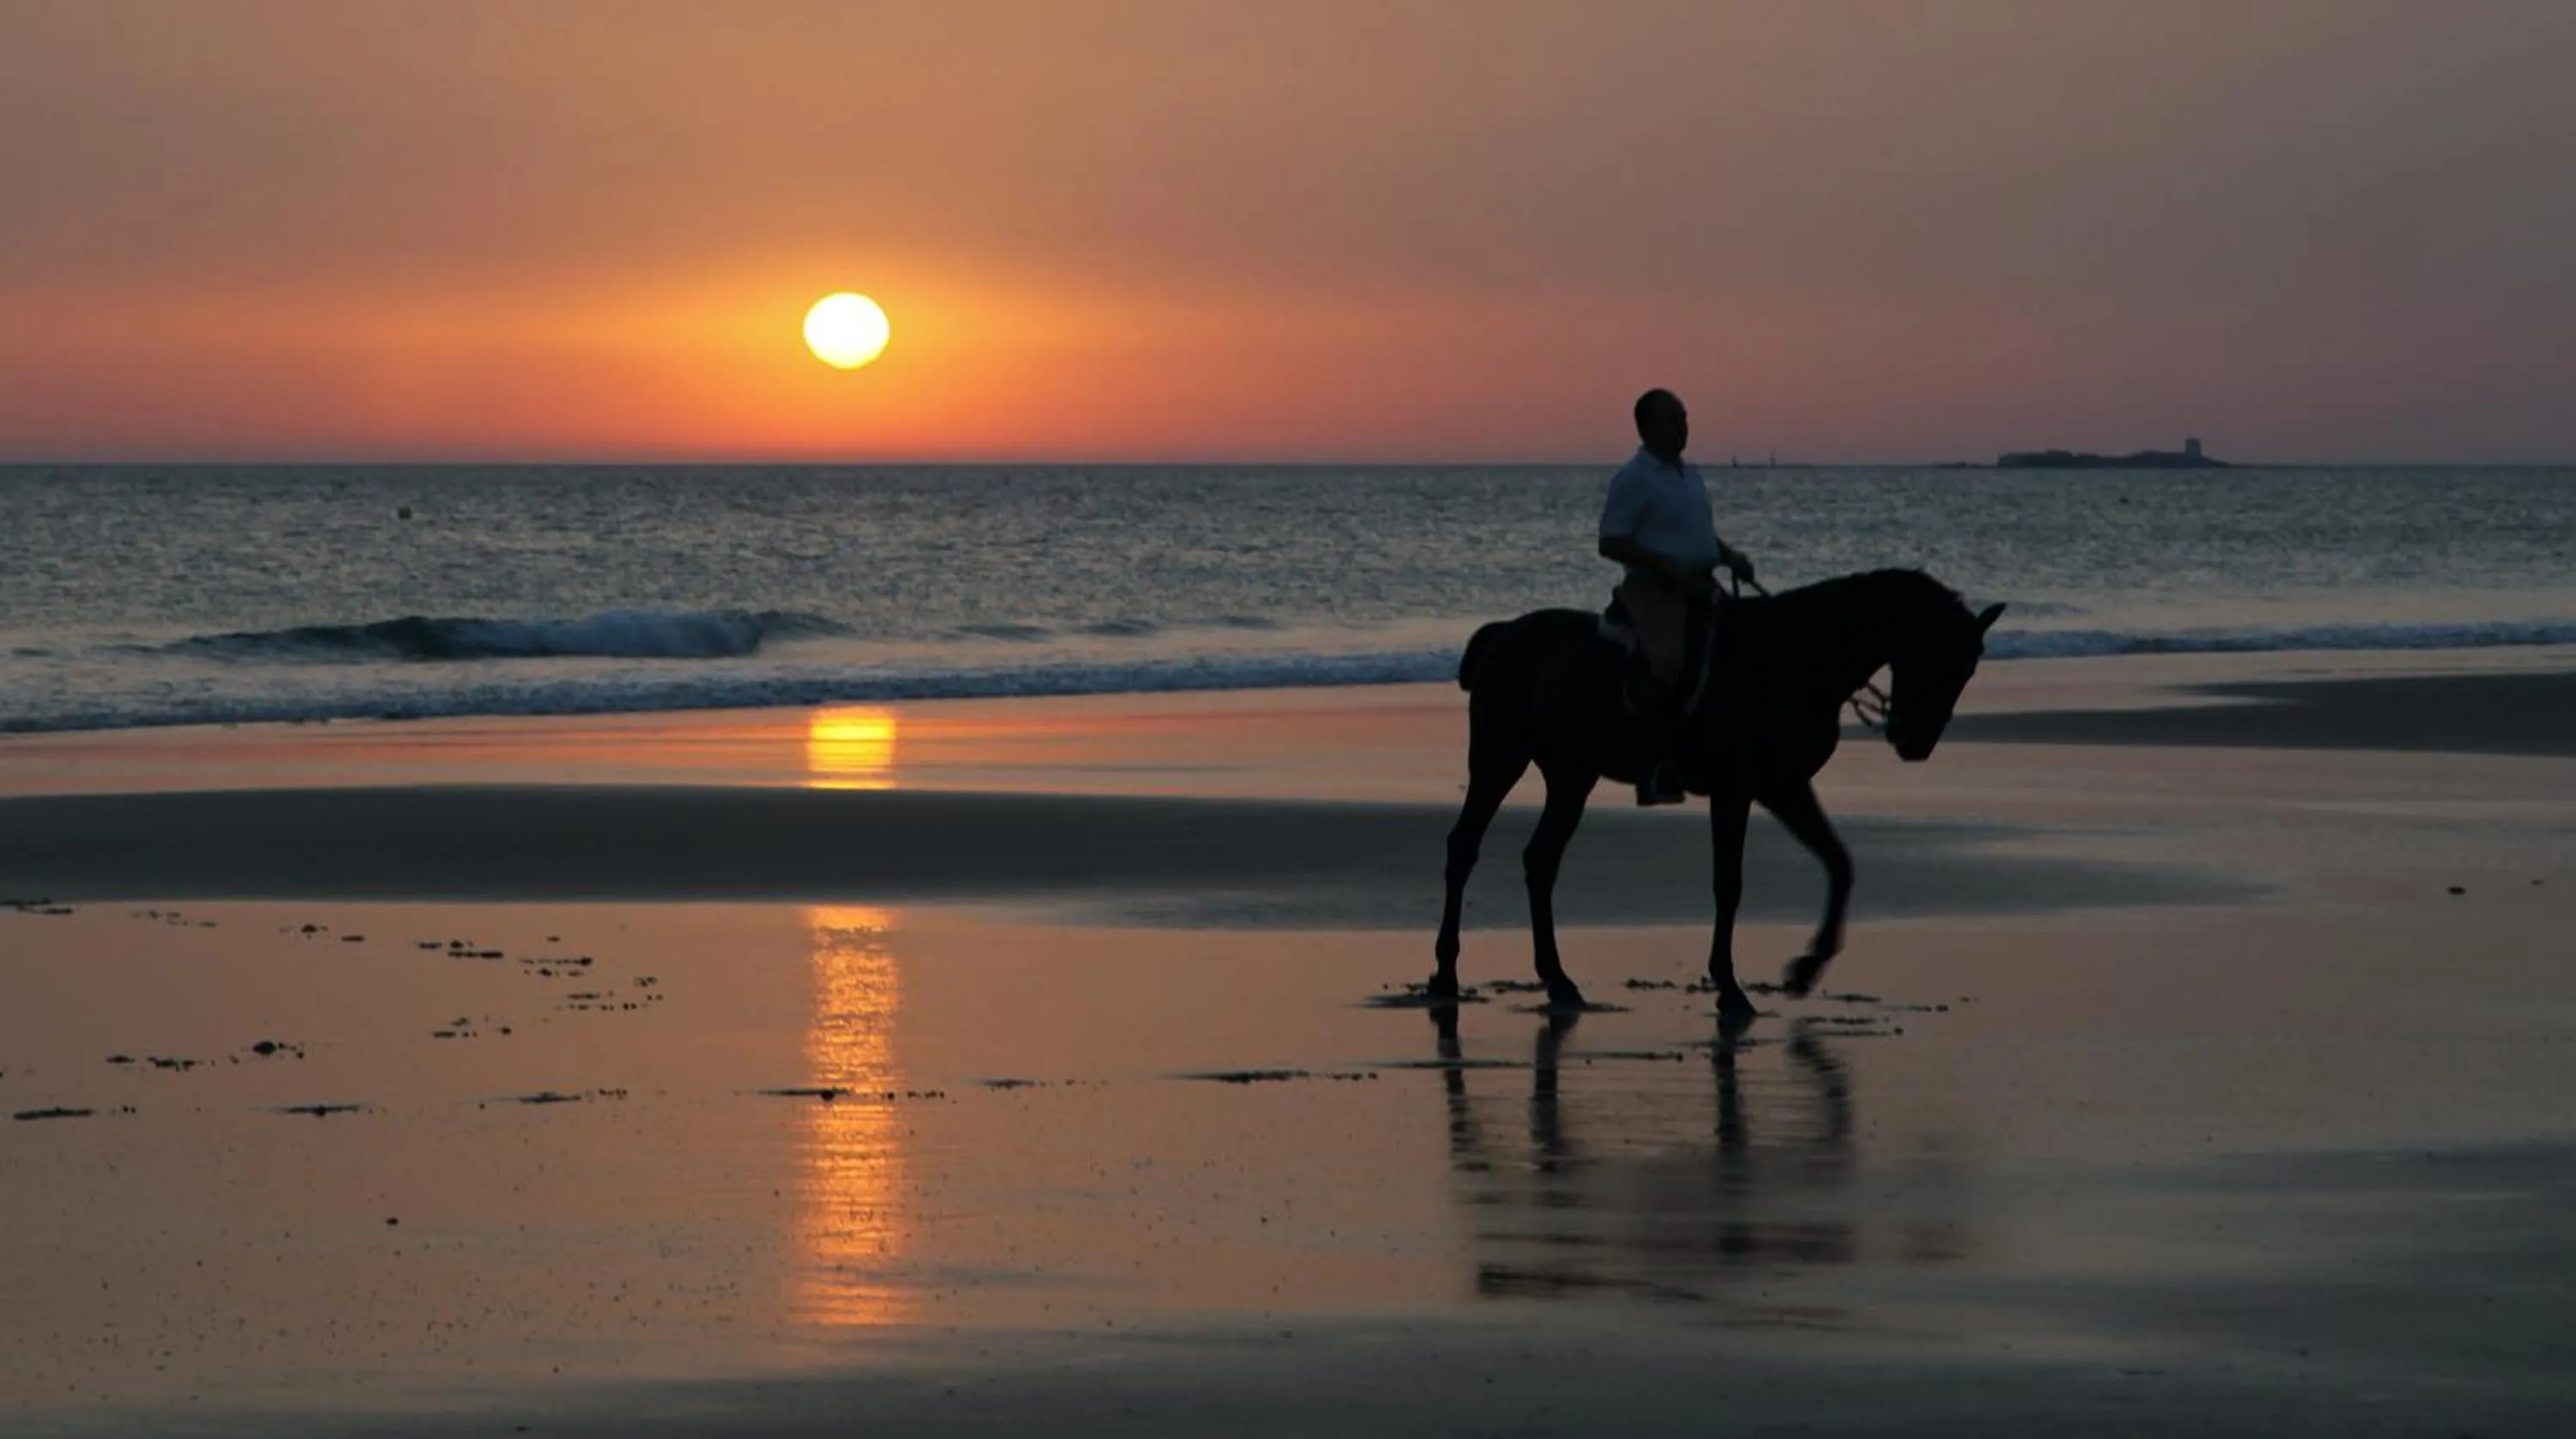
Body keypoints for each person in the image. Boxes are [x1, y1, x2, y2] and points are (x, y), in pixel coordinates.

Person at [1598, 388, 1756, 805]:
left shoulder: (1689, 475)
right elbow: (1611, 541)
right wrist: (1667, 566)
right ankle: (1655, 765)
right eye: (1673, 419)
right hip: (1655, 589)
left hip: (1701, 583)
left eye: (1684, 418)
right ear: (1647, 427)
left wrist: (1729, 556)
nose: (1683, 427)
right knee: (1668, 660)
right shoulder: (1634, 478)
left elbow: (1697, 534)